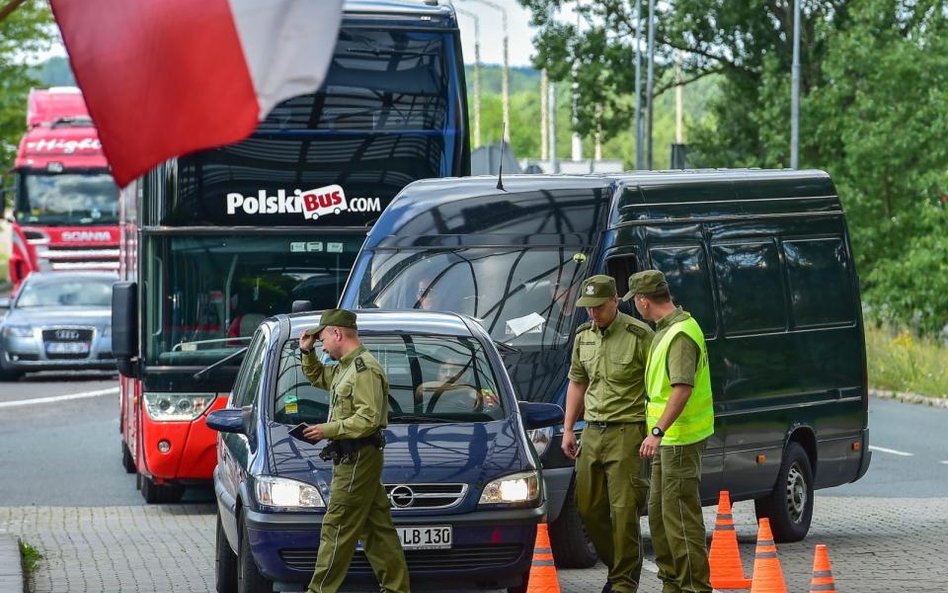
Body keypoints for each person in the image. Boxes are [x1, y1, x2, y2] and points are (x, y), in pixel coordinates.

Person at [297, 308, 410, 593]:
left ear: (337, 333)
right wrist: (306, 352)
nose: (321, 344)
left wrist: (327, 430)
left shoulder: (364, 369)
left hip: (358, 456)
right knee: (377, 529)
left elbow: (368, 418)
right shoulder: (345, 366)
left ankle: (319, 590)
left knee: (337, 527)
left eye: (322, 338)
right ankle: (397, 589)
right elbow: (318, 377)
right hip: (355, 456)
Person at [562, 274, 654, 593]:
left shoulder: (639, 335)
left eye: (599, 307)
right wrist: (568, 429)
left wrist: (653, 432)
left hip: (627, 430)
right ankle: (618, 569)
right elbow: (577, 382)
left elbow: (658, 386)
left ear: (615, 300)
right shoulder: (583, 336)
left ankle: (624, 583)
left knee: (624, 509)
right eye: (588, 308)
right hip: (592, 432)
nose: (593, 314)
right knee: (587, 506)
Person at [626, 270, 714, 593]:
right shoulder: (667, 329)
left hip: (679, 440)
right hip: (669, 441)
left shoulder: (679, 335)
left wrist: (658, 430)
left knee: (679, 518)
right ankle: (673, 584)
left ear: (643, 301)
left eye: (635, 301)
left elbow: (682, 389)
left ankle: (694, 587)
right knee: (661, 517)